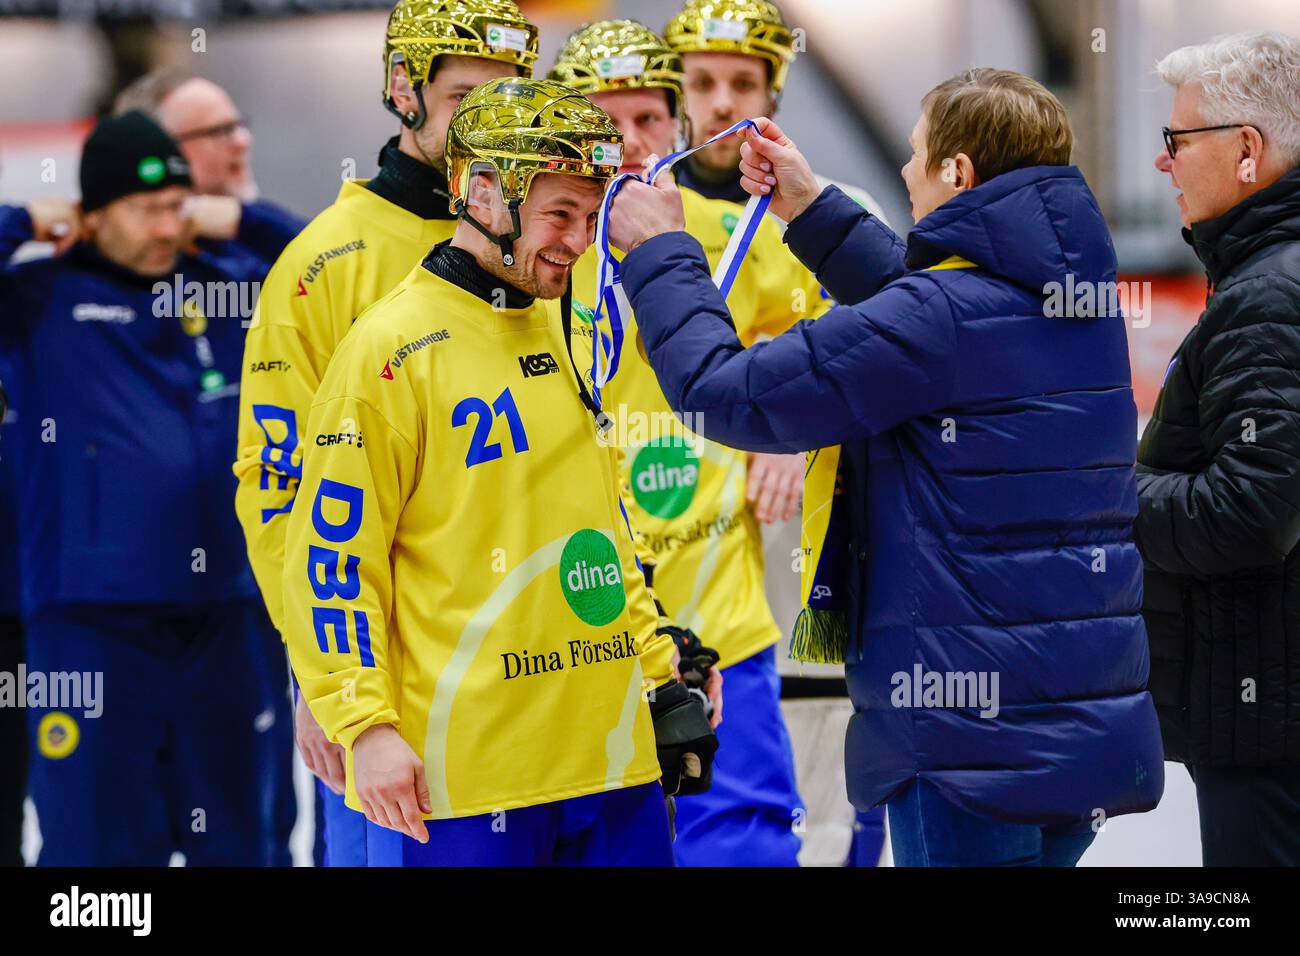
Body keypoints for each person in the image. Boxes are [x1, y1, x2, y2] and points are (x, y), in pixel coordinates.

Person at [606, 67, 1166, 866]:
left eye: (915, 153)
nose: (903, 173)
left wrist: (664, 252)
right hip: (1077, 737)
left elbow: (721, 394)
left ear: (958, 173)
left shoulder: (938, 321)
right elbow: (927, 319)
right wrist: (812, 209)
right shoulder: (1074, 298)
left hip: (965, 753)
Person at [280, 77, 718, 866]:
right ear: (482, 194)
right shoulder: (389, 350)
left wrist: (661, 676)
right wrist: (366, 725)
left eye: (591, 217)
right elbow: (332, 556)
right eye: (559, 215)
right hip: (468, 778)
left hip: (609, 759)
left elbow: (602, 522)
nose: (580, 241)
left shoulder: (569, 323)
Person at [233, 0, 543, 866]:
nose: (492, 124)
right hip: (395, 699)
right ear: (404, 90)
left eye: (510, 98)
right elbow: (277, 492)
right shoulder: (321, 267)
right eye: (466, 100)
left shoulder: (550, 250)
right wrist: (323, 681)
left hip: (540, 686)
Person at [549, 18, 822, 867]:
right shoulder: (533, 257)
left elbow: (833, 330)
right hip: (576, 636)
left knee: (744, 848)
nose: (632, 144)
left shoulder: (737, 232)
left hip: (719, 628)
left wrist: (792, 434)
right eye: (608, 120)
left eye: (650, 119)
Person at [0, 111, 273, 865]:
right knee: (96, 857)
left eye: (176, 206)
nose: (165, 226)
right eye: (145, 208)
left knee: (242, 845)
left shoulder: (224, 289)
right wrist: (22, 217)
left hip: (222, 621)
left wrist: (240, 217)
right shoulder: (35, 298)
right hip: (88, 632)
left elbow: (332, 270)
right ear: (93, 213)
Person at [116, 64, 305, 868]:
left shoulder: (245, 271)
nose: (241, 142)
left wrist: (230, 215)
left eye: (239, 124)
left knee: (254, 823)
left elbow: (325, 260)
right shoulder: (75, 288)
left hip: (245, 595)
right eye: (215, 132)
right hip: (119, 610)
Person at [1139, 30, 1300, 866]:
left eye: (1176, 139)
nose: (1163, 163)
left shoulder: (1268, 296)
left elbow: (1250, 513)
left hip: (1266, 727)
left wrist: (1104, 493)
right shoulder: (1267, 277)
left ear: (1246, 151)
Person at [664, 0, 888, 219]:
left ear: (771, 102)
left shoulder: (847, 214)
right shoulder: (635, 214)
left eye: (744, 84)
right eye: (702, 84)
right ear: (677, 98)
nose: (723, 105)